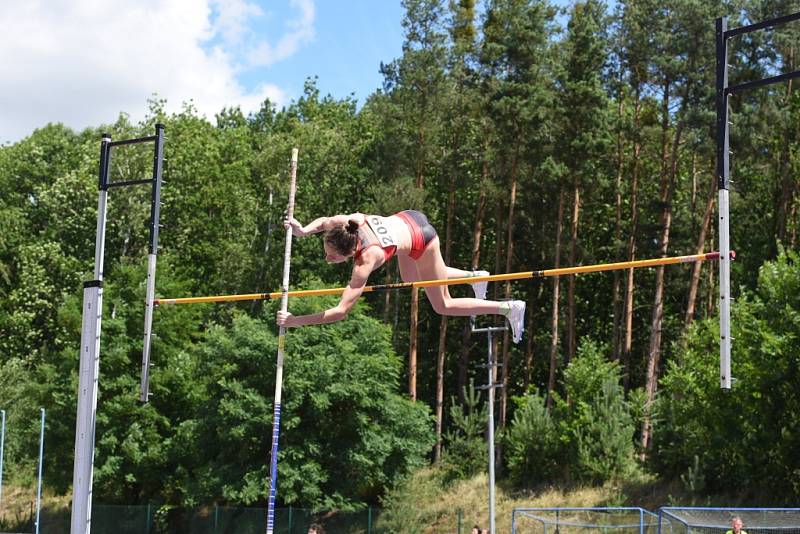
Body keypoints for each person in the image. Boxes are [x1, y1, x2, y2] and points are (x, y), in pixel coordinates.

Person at [276, 211, 526, 343]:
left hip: (422, 240)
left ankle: (507, 308)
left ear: (351, 252)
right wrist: (303, 230)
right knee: (410, 277)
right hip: (408, 218)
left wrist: (296, 321)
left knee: (443, 304)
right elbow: (323, 223)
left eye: (333, 257)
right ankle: (474, 277)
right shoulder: (348, 222)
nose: (328, 259)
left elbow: (340, 311)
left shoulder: (365, 261)